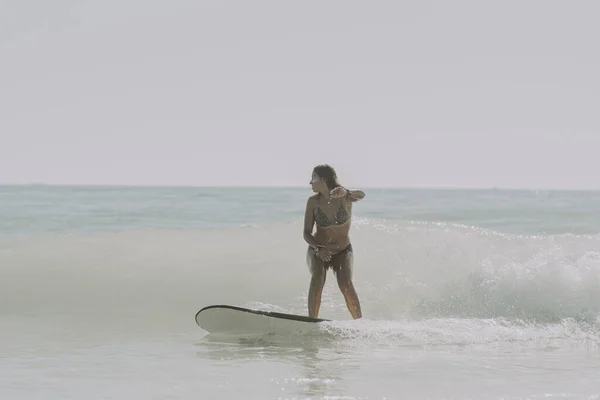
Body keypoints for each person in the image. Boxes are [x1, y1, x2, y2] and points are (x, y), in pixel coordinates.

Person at [303, 164, 365, 319]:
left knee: (346, 284)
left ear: (323, 179)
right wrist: (318, 248)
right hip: (319, 249)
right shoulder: (313, 202)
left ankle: (360, 323)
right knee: (318, 277)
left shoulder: (344, 195)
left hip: (343, 251)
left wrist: (347, 192)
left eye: (313, 178)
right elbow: (306, 233)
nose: (310, 182)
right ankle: (312, 322)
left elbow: (362, 194)